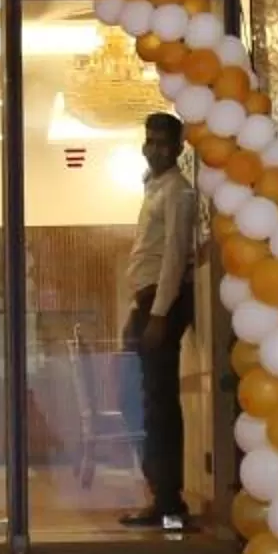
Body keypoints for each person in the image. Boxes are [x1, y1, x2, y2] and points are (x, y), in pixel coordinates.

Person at [121, 111, 199, 528]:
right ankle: (161, 494)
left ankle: (168, 500)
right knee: (138, 400)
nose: (156, 149)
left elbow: (173, 257)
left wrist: (159, 315)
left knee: (158, 404)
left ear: (180, 147)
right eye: (150, 141)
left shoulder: (178, 193)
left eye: (165, 143)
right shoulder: (153, 187)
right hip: (146, 303)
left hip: (160, 305)